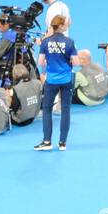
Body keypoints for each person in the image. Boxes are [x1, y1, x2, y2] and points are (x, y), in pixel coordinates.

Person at [35, 14, 79, 151]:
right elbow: (76, 63)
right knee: (66, 110)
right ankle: (62, 143)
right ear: (60, 26)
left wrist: (50, 60)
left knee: (47, 110)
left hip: (51, 80)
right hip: (66, 80)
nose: (67, 25)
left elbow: (40, 62)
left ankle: (47, 141)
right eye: (65, 23)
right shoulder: (70, 42)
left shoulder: (45, 42)